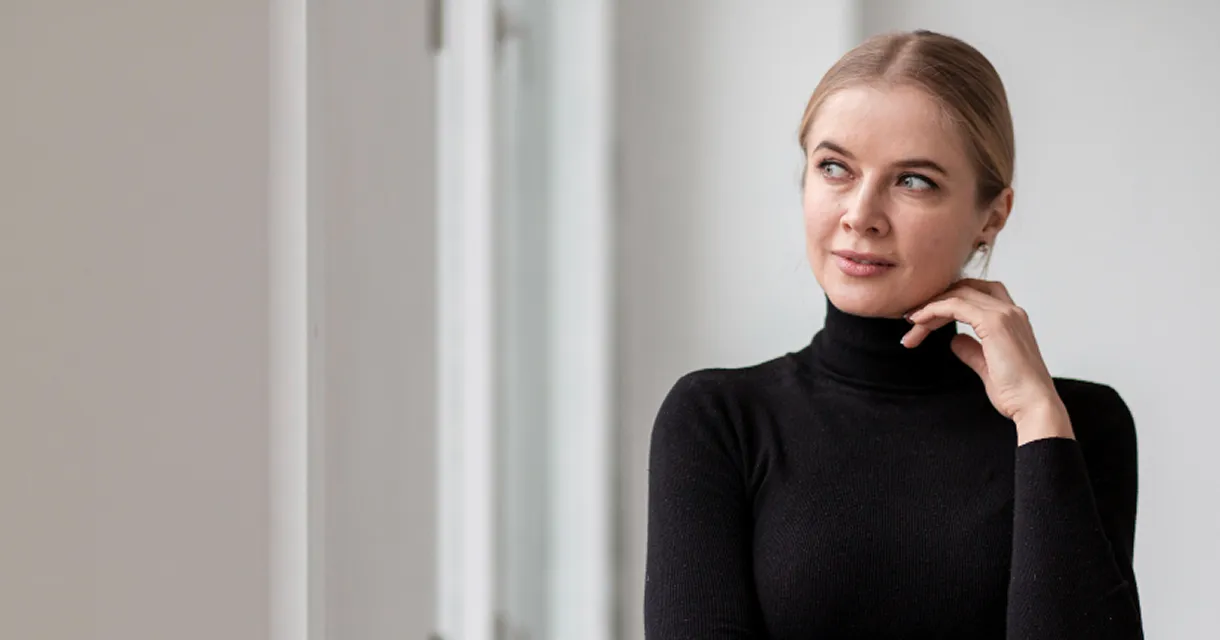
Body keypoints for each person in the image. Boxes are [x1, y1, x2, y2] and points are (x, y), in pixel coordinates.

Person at [643, 30, 1143, 639]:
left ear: (993, 214)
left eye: (914, 181)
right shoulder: (718, 420)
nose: (861, 213)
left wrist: (1038, 418)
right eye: (834, 168)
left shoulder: (1077, 426)